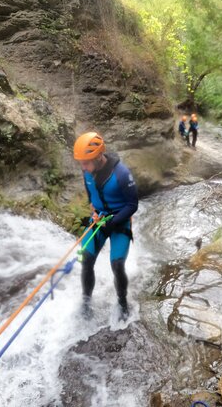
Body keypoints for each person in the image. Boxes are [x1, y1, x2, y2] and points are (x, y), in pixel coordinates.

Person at [73, 132, 139, 321]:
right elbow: (90, 190)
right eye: (81, 162)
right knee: (86, 258)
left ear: (97, 156)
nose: (83, 166)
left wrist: (114, 221)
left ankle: (123, 303)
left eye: (86, 162)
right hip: (100, 219)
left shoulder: (121, 174)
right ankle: (86, 302)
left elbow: (133, 205)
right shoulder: (87, 170)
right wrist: (93, 207)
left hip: (119, 220)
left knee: (117, 264)